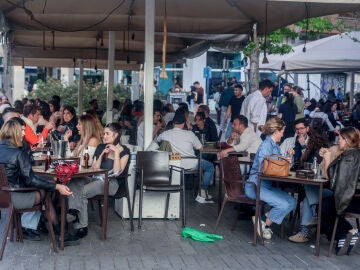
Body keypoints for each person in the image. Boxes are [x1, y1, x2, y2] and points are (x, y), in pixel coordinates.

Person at [0, 118, 79, 245]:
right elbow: (30, 180)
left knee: (44, 188)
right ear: (14, 132)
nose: (24, 134)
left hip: (3, 197)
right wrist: (57, 186)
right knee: (45, 193)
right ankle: (60, 234)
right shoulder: (18, 153)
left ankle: (45, 225)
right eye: (21, 131)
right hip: (14, 197)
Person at [70, 122, 130, 238]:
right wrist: (102, 154)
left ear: (116, 135)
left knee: (82, 192)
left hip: (112, 183)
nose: (104, 136)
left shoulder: (124, 151)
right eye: (104, 134)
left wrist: (116, 153)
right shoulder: (101, 147)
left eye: (107, 134)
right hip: (97, 178)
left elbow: (118, 172)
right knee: (73, 181)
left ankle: (82, 225)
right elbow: (94, 168)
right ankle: (73, 210)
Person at [245, 118, 297, 240]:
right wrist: (282, 162)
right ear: (276, 131)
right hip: (255, 185)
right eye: (282, 131)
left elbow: (279, 167)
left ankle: (262, 223)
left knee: (292, 201)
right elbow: (265, 168)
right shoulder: (266, 145)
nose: (283, 134)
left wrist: (288, 158)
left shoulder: (275, 147)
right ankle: (263, 224)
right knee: (283, 204)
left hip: (266, 185)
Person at [320, 127, 360, 255]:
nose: (338, 141)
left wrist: (327, 160)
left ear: (347, 140)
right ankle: (347, 234)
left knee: (322, 206)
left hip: (351, 199)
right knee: (323, 204)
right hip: (354, 197)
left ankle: (345, 233)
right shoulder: (354, 153)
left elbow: (335, 184)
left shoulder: (349, 156)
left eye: (340, 138)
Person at [157, 113, 214, 202]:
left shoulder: (166, 134)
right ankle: (202, 191)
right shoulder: (190, 134)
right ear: (184, 124)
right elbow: (201, 148)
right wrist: (190, 129)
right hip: (191, 164)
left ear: (173, 123)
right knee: (210, 166)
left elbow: (158, 140)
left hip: (175, 164)